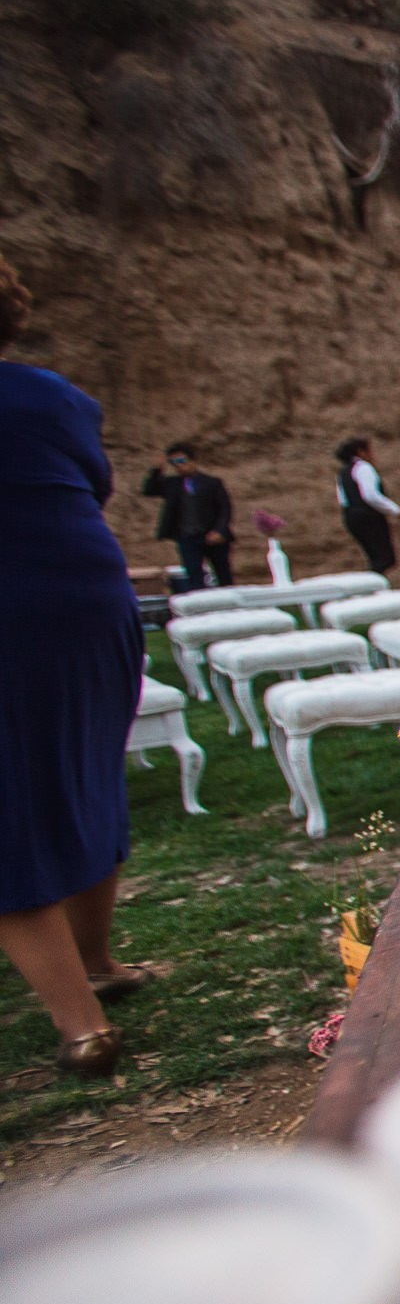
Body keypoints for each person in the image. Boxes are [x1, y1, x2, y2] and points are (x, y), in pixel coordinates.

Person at [0, 255, 149, 1077]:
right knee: (91, 769)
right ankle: (98, 960)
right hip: (87, 596)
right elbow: (90, 484)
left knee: (8, 808)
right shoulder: (58, 397)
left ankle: (82, 1022)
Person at [140, 442, 233, 590]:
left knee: (223, 575)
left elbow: (224, 509)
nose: (178, 466)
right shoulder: (172, 484)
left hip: (212, 535)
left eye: (181, 461)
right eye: (174, 463)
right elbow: (148, 490)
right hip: (187, 537)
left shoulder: (211, 483)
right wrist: (156, 470)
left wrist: (219, 530)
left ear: (192, 461)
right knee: (194, 576)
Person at [335, 435, 399, 573]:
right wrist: (394, 510)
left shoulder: (343, 472)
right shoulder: (364, 468)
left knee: (374, 557)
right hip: (369, 517)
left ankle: (376, 584)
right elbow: (370, 495)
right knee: (386, 559)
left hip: (351, 517)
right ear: (360, 452)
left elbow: (342, 499)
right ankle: (376, 586)